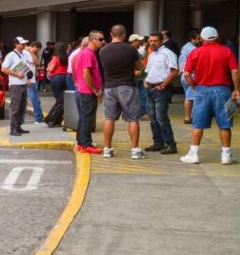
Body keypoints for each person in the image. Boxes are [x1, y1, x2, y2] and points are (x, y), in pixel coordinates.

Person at [181, 26, 240, 165]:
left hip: (202, 90)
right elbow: (235, 72)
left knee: (198, 124)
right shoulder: (227, 51)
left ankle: (193, 154)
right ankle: (226, 155)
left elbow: (187, 73)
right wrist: (236, 89)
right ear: (217, 37)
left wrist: (194, 86)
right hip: (223, 90)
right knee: (225, 124)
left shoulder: (195, 52)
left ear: (201, 38)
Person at [98, 25, 146, 160]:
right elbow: (138, 68)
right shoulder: (131, 49)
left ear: (111, 34)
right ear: (124, 35)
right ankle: (135, 150)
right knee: (133, 118)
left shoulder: (103, 51)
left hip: (109, 87)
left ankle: (107, 149)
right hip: (127, 86)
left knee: (109, 118)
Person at [144, 31, 179, 154]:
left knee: (161, 117)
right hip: (150, 88)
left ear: (162, 41)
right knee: (153, 118)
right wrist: (145, 81)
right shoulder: (152, 54)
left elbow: (174, 71)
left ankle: (170, 144)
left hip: (161, 89)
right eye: (151, 41)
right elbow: (148, 71)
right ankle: (158, 143)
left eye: (155, 41)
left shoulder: (168, 54)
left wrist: (163, 84)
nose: (152, 43)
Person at [74, 30, 105, 153]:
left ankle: (82, 142)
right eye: (100, 39)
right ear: (93, 40)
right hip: (88, 91)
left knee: (84, 116)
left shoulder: (86, 53)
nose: (103, 42)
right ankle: (86, 144)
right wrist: (95, 89)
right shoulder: (88, 54)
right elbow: (86, 73)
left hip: (84, 90)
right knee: (88, 117)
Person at [2, 37, 33, 137]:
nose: (24, 45)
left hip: (24, 83)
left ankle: (18, 126)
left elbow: (29, 66)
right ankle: (13, 128)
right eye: (22, 44)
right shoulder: (10, 55)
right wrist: (16, 74)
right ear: (16, 44)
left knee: (22, 107)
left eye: (24, 44)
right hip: (15, 84)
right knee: (15, 108)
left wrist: (28, 79)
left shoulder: (25, 54)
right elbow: (3, 69)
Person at [44, 42, 70, 128]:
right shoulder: (67, 57)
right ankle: (56, 120)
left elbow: (50, 68)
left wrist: (47, 68)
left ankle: (51, 119)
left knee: (59, 101)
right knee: (63, 100)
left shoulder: (55, 57)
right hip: (65, 78)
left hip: (56, 79)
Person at [178, 30, 201, 124]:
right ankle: (190, 117)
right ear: (193, 39)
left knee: (188, 96)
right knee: (192, 97)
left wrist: (181, 70)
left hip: (184, 75)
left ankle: (189, 117)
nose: (200, 40)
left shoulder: (185, 47)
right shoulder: (193, 49)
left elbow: (180, 60)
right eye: (198, 38)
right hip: (190, 75)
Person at [26, 41, 45, 124]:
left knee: (35, 99)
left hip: (31, 79)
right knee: (34, 98)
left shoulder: (30, 52)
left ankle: (39, 116)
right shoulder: (27, 52)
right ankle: (38, 117)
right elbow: (36, 62)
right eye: (38, 49)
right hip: (29, 79)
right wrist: (29, 50)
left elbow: (36, 64)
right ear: (35, 47)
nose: (38, 51)